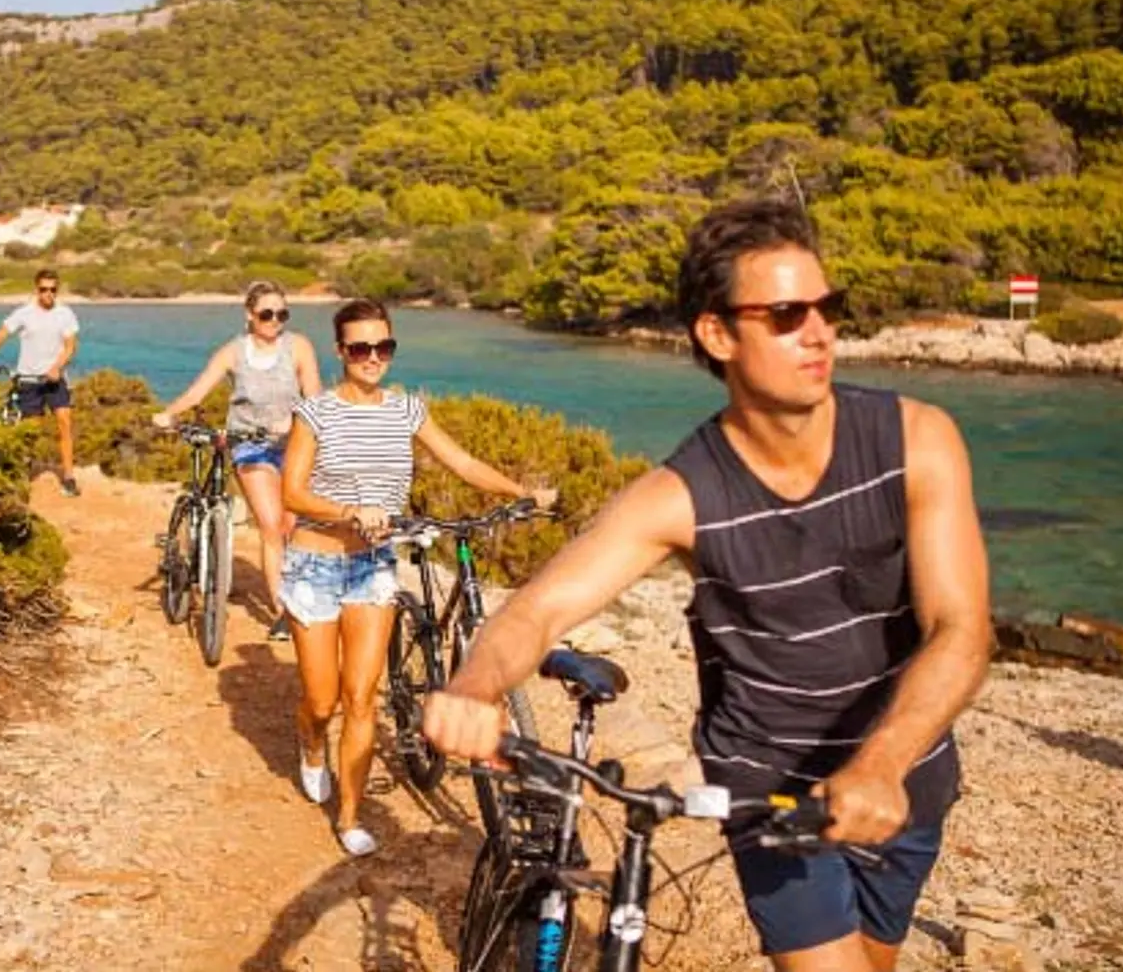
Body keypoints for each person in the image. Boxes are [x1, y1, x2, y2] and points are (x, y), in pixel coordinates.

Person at [423, 199, 991, 971]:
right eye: (788, 313)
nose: (819, 331)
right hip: (770, 791)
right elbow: (540, 607)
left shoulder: (916, 440)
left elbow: (962, 627)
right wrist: (476, 685)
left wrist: (884, 762)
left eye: (829, 307)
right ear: (718, 334)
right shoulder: (682, 495)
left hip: (907, 778)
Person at [282, 298, 557, 857]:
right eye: (360, 348)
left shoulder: (407, 409)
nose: (372, 357)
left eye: (384, 347)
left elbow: (463, 464)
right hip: (315, 563)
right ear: (341, 352)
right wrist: (348, 511)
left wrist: (520, 493)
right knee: (323, 701)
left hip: (373, 565)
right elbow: (291, 492)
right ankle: (311, 745)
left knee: (363, 697)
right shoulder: (316, 412)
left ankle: (351, 816)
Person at [151, 280, 323, 641]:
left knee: (294, 525)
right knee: (272, 524)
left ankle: (302, 595)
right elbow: (199, 390)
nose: (275, 321)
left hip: (294, 443)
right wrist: (169, 413)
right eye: (266, 314)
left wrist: (293, 422)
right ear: (249, 315)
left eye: (282, 314)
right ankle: (282, 611)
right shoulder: (234, 352)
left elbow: (315, 399)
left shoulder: (299, 347)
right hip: (250, 445)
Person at [0, 268, 81, 497]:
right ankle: (23, 473)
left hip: (55, 381)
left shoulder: (65, 314)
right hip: (29, 381)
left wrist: (56, 367)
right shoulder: (24, 313)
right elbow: (2, 334)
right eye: (44, 289)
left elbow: (70, 347)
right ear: (36, 289)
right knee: (31, 431)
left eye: (53, 290)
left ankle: (69, 477)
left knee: (64, 423)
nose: (48, 294)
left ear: (57, 290)